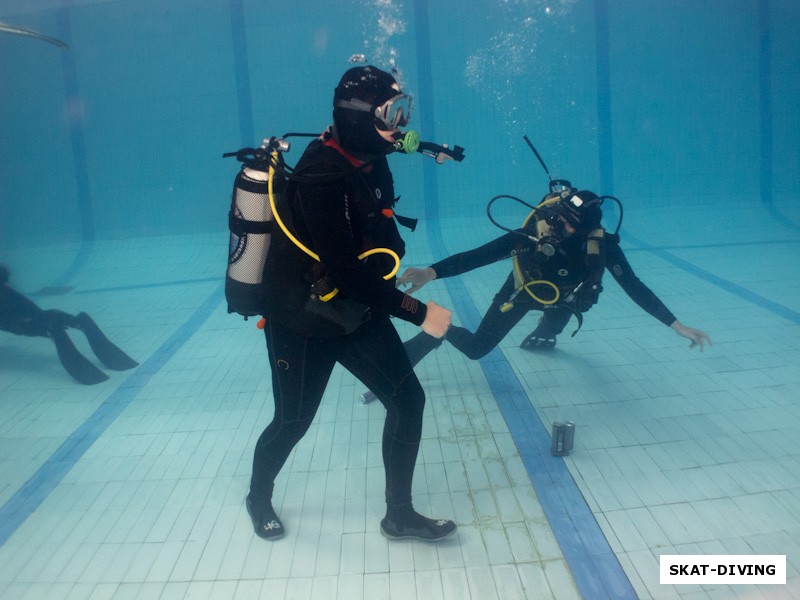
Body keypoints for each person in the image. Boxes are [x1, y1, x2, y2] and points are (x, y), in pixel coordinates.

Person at [246, 65, 456, 542]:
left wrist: (429, 148)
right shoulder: (320, 175)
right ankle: (257, 498)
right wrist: (421, 313)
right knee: (293, 422)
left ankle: (398, 514)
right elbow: (343, 270)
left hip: (356, 309)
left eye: (402, 112)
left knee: (408, 401)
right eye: (390, 115)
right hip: (301, 319)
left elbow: (380, 222)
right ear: (358, 117)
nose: (398, 127)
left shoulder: (369, 155)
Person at [377, 187, 711, 377]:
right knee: (478, 349)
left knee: (557, 322)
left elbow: (634, 287)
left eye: (567, 225)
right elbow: (477, 256)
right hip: (523, 290)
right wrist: (430, 272)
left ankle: (547, 328)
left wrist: (677, 325)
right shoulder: (531, 236)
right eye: (557, 217)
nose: (556, 227)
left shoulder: (601, 249)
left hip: (563, 298)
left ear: (584, 232)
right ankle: (439, 330)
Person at [0, 264, 138, 384]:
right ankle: (75, 321)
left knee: (30, 324)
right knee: (39, 316)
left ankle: (53, 329)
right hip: (9, 295)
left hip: (6, 308)